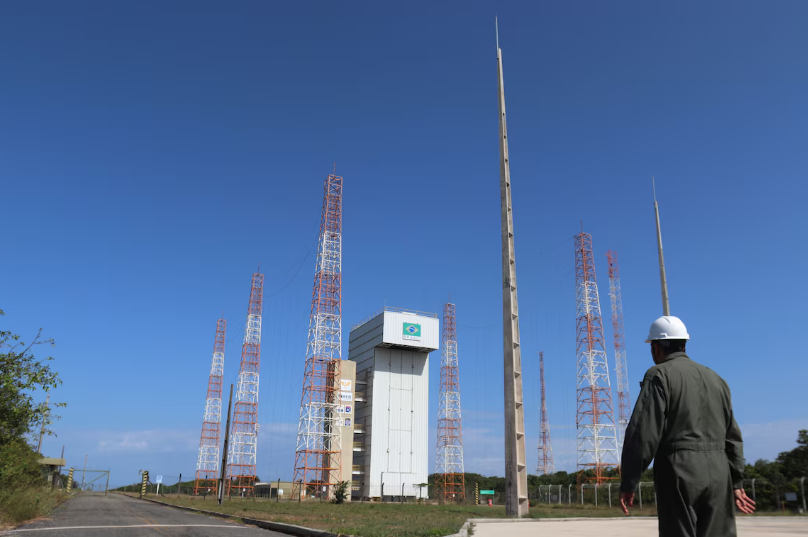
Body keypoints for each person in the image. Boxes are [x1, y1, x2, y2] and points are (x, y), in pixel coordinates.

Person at [619, 315, 755, 536]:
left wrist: (629, 481)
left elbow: (642, 434)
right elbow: (732, 436)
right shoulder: (716, 379)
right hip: (720, 473)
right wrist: (736, 481)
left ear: (655, 347)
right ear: (684, 343)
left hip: (679, 472)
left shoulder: (659, 375)